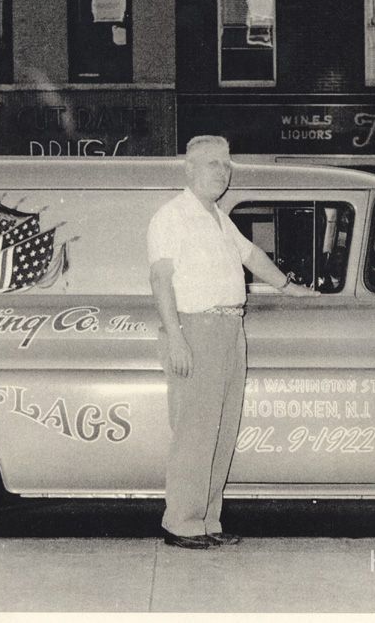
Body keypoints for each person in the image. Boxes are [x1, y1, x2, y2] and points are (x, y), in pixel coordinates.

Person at [147, 135, 318, 549]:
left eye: (226, 164)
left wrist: (288, 287)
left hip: (229, 329)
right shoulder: (172, 216)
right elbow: (160, 279)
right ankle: (181, 522)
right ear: (189, 170)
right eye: (212, 164)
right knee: (194, 430)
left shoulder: (219, 219)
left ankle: (207, 521)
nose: (222, 172)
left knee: (221, 430)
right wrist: (176, 339)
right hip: (196, 328)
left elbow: (253, 256)